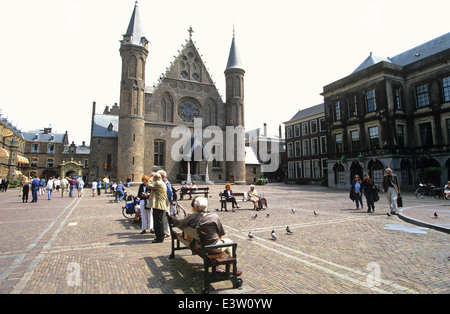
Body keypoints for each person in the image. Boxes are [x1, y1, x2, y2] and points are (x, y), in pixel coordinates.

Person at [169, 197, 241, 275]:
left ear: (195, 206)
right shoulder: (214, 216)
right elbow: (221, 234)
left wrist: (171, 218)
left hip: (200, 246)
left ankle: (227, 267)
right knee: (230, 243)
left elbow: (180, 223)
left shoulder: (191, 217)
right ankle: (232, 268)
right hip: (212, 247)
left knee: (225, 244)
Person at [146, 172, 167, 243]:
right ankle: (160, 236)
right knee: (159, 221)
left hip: (158, 205)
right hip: (160, 205)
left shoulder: (158, 183)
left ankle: (159, 237)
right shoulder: (161, 183)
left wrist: (151, 177)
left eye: (154, 178)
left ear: (156, 178)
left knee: (158, 222)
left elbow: (148, 185)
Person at [157, 170, 173, 237]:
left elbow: (169, 192)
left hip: (165, 202)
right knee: (163, 217)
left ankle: (166, 232)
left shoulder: (166, 183)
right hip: (161, 202)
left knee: (165, 217)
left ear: (162, 176)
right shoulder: (161, 182)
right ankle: (163, 230)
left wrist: (170, 200)